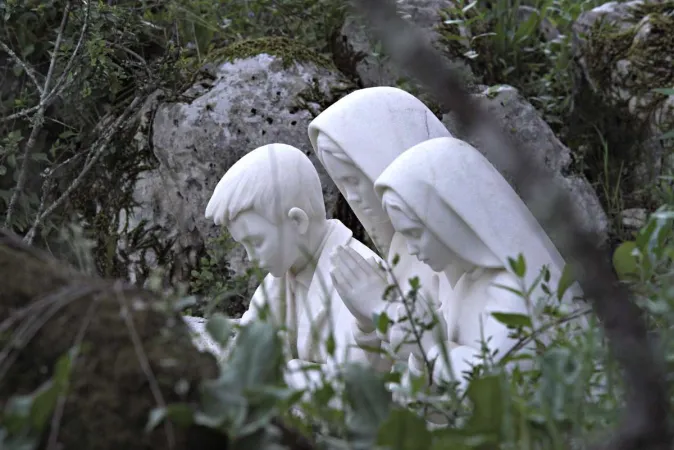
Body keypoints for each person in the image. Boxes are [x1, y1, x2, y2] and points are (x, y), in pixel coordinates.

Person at [373, 136, 584, 393]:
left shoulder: (514, 290)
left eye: (415, 233)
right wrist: (419, 356)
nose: (411, 249)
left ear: (448, 219)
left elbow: (502, 388)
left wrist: (432, 349)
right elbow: (433, 406)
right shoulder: (463, 287)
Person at [204, 143, 388, 375]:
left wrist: (282, 370)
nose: (251, 258)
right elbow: (244, 353)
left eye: (257, 242)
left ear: (297, 222)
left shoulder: (362, 275)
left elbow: (352, 382)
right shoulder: (279, 278)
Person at [308, 86, 455, 366]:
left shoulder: (441, 252)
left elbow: (451, 360)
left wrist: (383, 309)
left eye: (354, 180)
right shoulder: (402, 247)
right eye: (342, 184)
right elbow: (387, 368)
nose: (350, 197)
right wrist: (366, 323)